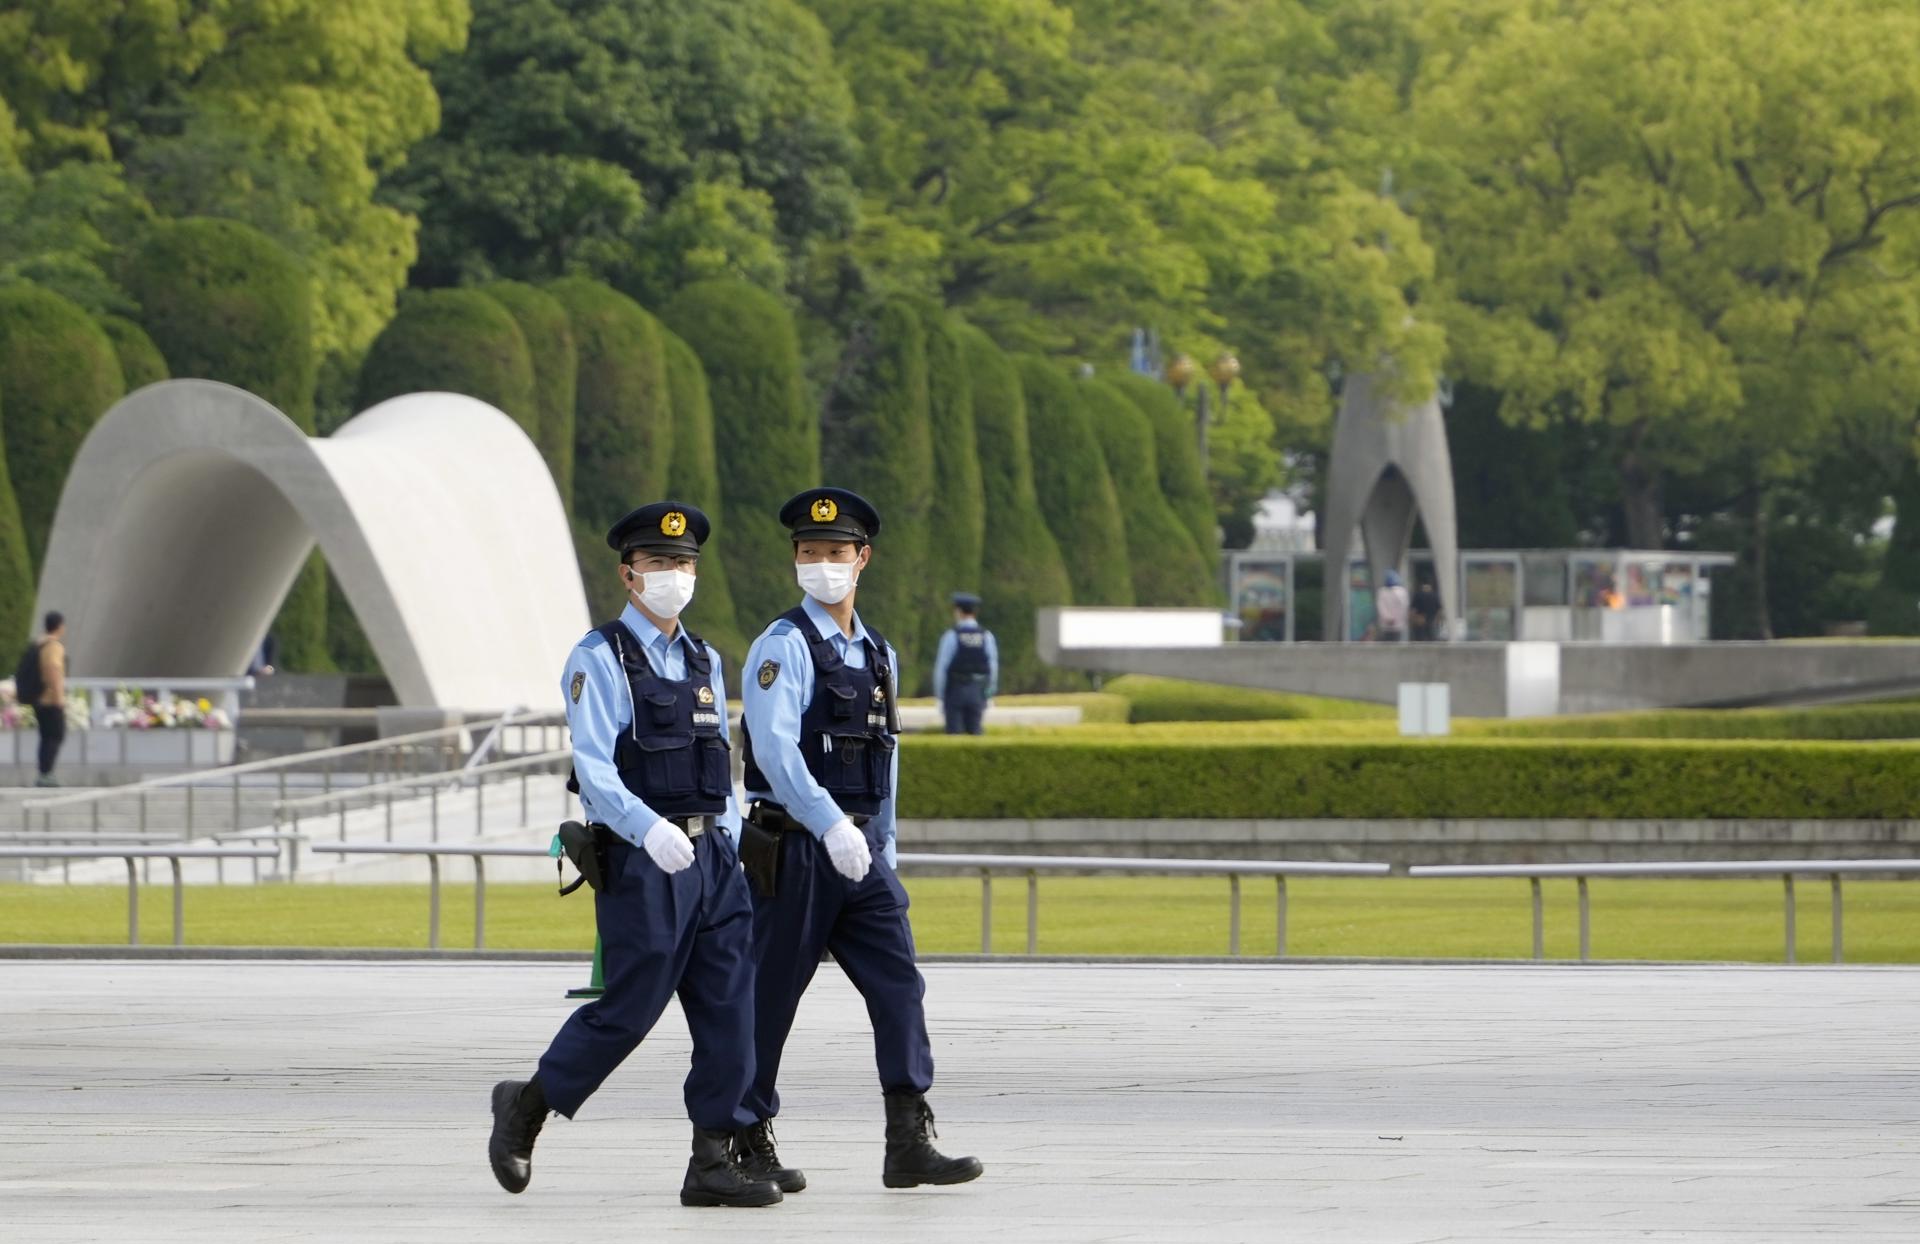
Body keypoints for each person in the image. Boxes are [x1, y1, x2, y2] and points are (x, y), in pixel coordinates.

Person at [488, 501, 780, 1209]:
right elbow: (594, 767)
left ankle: (711, 1160)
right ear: (628, 574)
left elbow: (724, 763)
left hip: (711, 858)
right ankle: (528, 1105)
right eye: (658, 564)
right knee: (630, 1009)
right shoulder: (599, 658)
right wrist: (650, 830)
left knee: (731, 1009)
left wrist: (734, 840)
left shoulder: (706, 657)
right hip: (644, 858)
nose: (673, 575)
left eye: (683, 564)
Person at [732, 487, 982, 1192]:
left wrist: (885, 845)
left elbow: (887, 757)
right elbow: (775, 753)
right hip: (795, 847)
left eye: (835, 553)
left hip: (861, 849)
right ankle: (747, 1136)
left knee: (899, 983)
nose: (821, 564)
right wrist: (829, 822)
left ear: (862, 558)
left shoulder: (878, 653)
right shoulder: (783, 645)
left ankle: (907, 1138)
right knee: (770, 999)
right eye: (809, 553)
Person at [931, 591, 997, 735]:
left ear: (958, 611)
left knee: (954, 735)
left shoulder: (951, 636)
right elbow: (992, 667)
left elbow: (941, 669)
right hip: (977, 690)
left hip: (955, 690)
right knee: (975, 734)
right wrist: (989, 693)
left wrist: (940, 696)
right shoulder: (986, 636)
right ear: (975, 612)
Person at [33, 612, 67, 788]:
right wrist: (59, 697)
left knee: (46, 736)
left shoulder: (40, 644)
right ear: (60, 626)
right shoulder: (54, 646)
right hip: (50, 699)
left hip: (38, 698)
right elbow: (53, 669)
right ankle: (46, 773)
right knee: (56, 734)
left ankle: (43, 773)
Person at [1375, 569, 1409, 643]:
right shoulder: (1402, 592)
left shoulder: (1382, 592)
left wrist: (1388, 618)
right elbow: (1403, 607)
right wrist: (1397, 618)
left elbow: (1381, 607)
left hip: (1386, 624)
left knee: (1387, 642)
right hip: (1398, 623)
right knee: (1397, 641)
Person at [1409, 575, 1444, 642]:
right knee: (1432, 639)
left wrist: (1412, 620)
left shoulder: (1417, 595)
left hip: (1420, 621)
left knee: (1420, 640)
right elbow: (1439, 610)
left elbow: (1413, 610)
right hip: (1432, 620)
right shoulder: (1435, 596)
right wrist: (1439, 620)